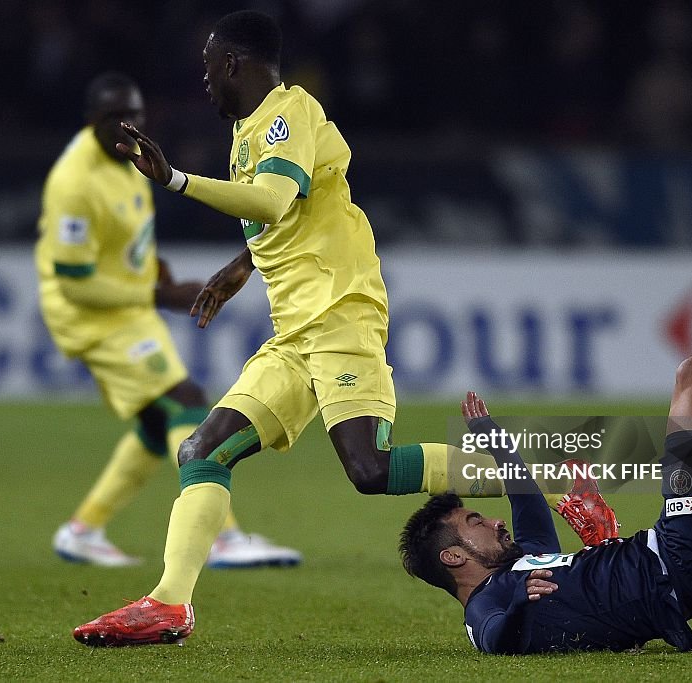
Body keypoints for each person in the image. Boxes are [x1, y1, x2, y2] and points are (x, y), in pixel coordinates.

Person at [72, 11, 518, 646]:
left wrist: (174, 180)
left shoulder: (289, 112)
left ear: (232, 62)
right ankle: (169, 605)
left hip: (338, 312)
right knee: (203, 450)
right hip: (293, 332)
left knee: (368, 469)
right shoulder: (248, 132)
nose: (202, 79)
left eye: (207, 65)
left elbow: (275, 198)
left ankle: (541, 470)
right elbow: (287, 216)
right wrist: (240, 265)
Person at [399, 218, 692, 654]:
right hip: (686, 554)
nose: (495, 522)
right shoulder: (484, 609)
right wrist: (521, 604)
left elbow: (527, 500)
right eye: (475, 523)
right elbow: (497, 639)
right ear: (455, 558)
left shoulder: (525, 564)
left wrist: (490, 436)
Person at [36, 71, 300, 570]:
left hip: (125, 309)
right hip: (90, 316)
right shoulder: (75, 182)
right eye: (118, 115)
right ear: (93, 120)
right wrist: (157, 292)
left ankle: (83, 529)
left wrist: (152, 271)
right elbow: (73, 279)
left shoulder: (127, 159)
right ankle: (223, 537)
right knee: (187, 400)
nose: (130, 124)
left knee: (160, 423)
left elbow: (125, 237)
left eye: (136, 113)